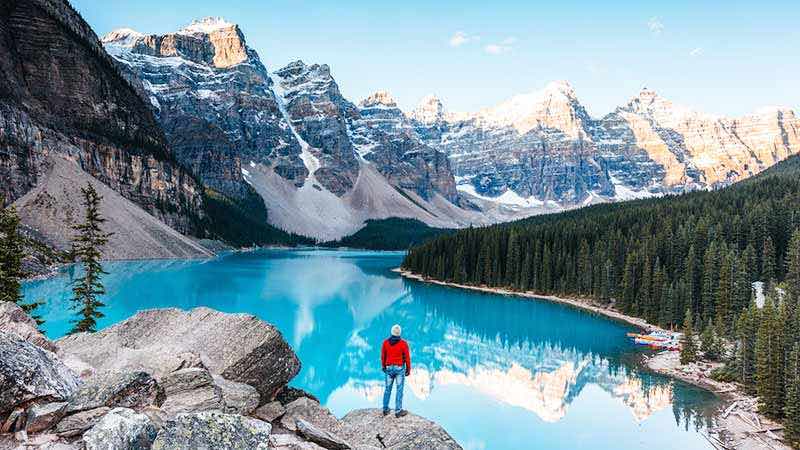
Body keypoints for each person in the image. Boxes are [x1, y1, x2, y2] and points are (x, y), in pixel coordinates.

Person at [381, 324, 411, 418]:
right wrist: (408, 370)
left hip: (389, 368)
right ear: (399, 333)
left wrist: (383, 367)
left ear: (392, 332)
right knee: (399, 390)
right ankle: (398, 411)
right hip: (399, 369)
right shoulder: (403, 343)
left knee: (387, 389)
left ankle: (385, 409)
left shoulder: (385, 343)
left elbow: (383, 356)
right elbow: (407, 358)